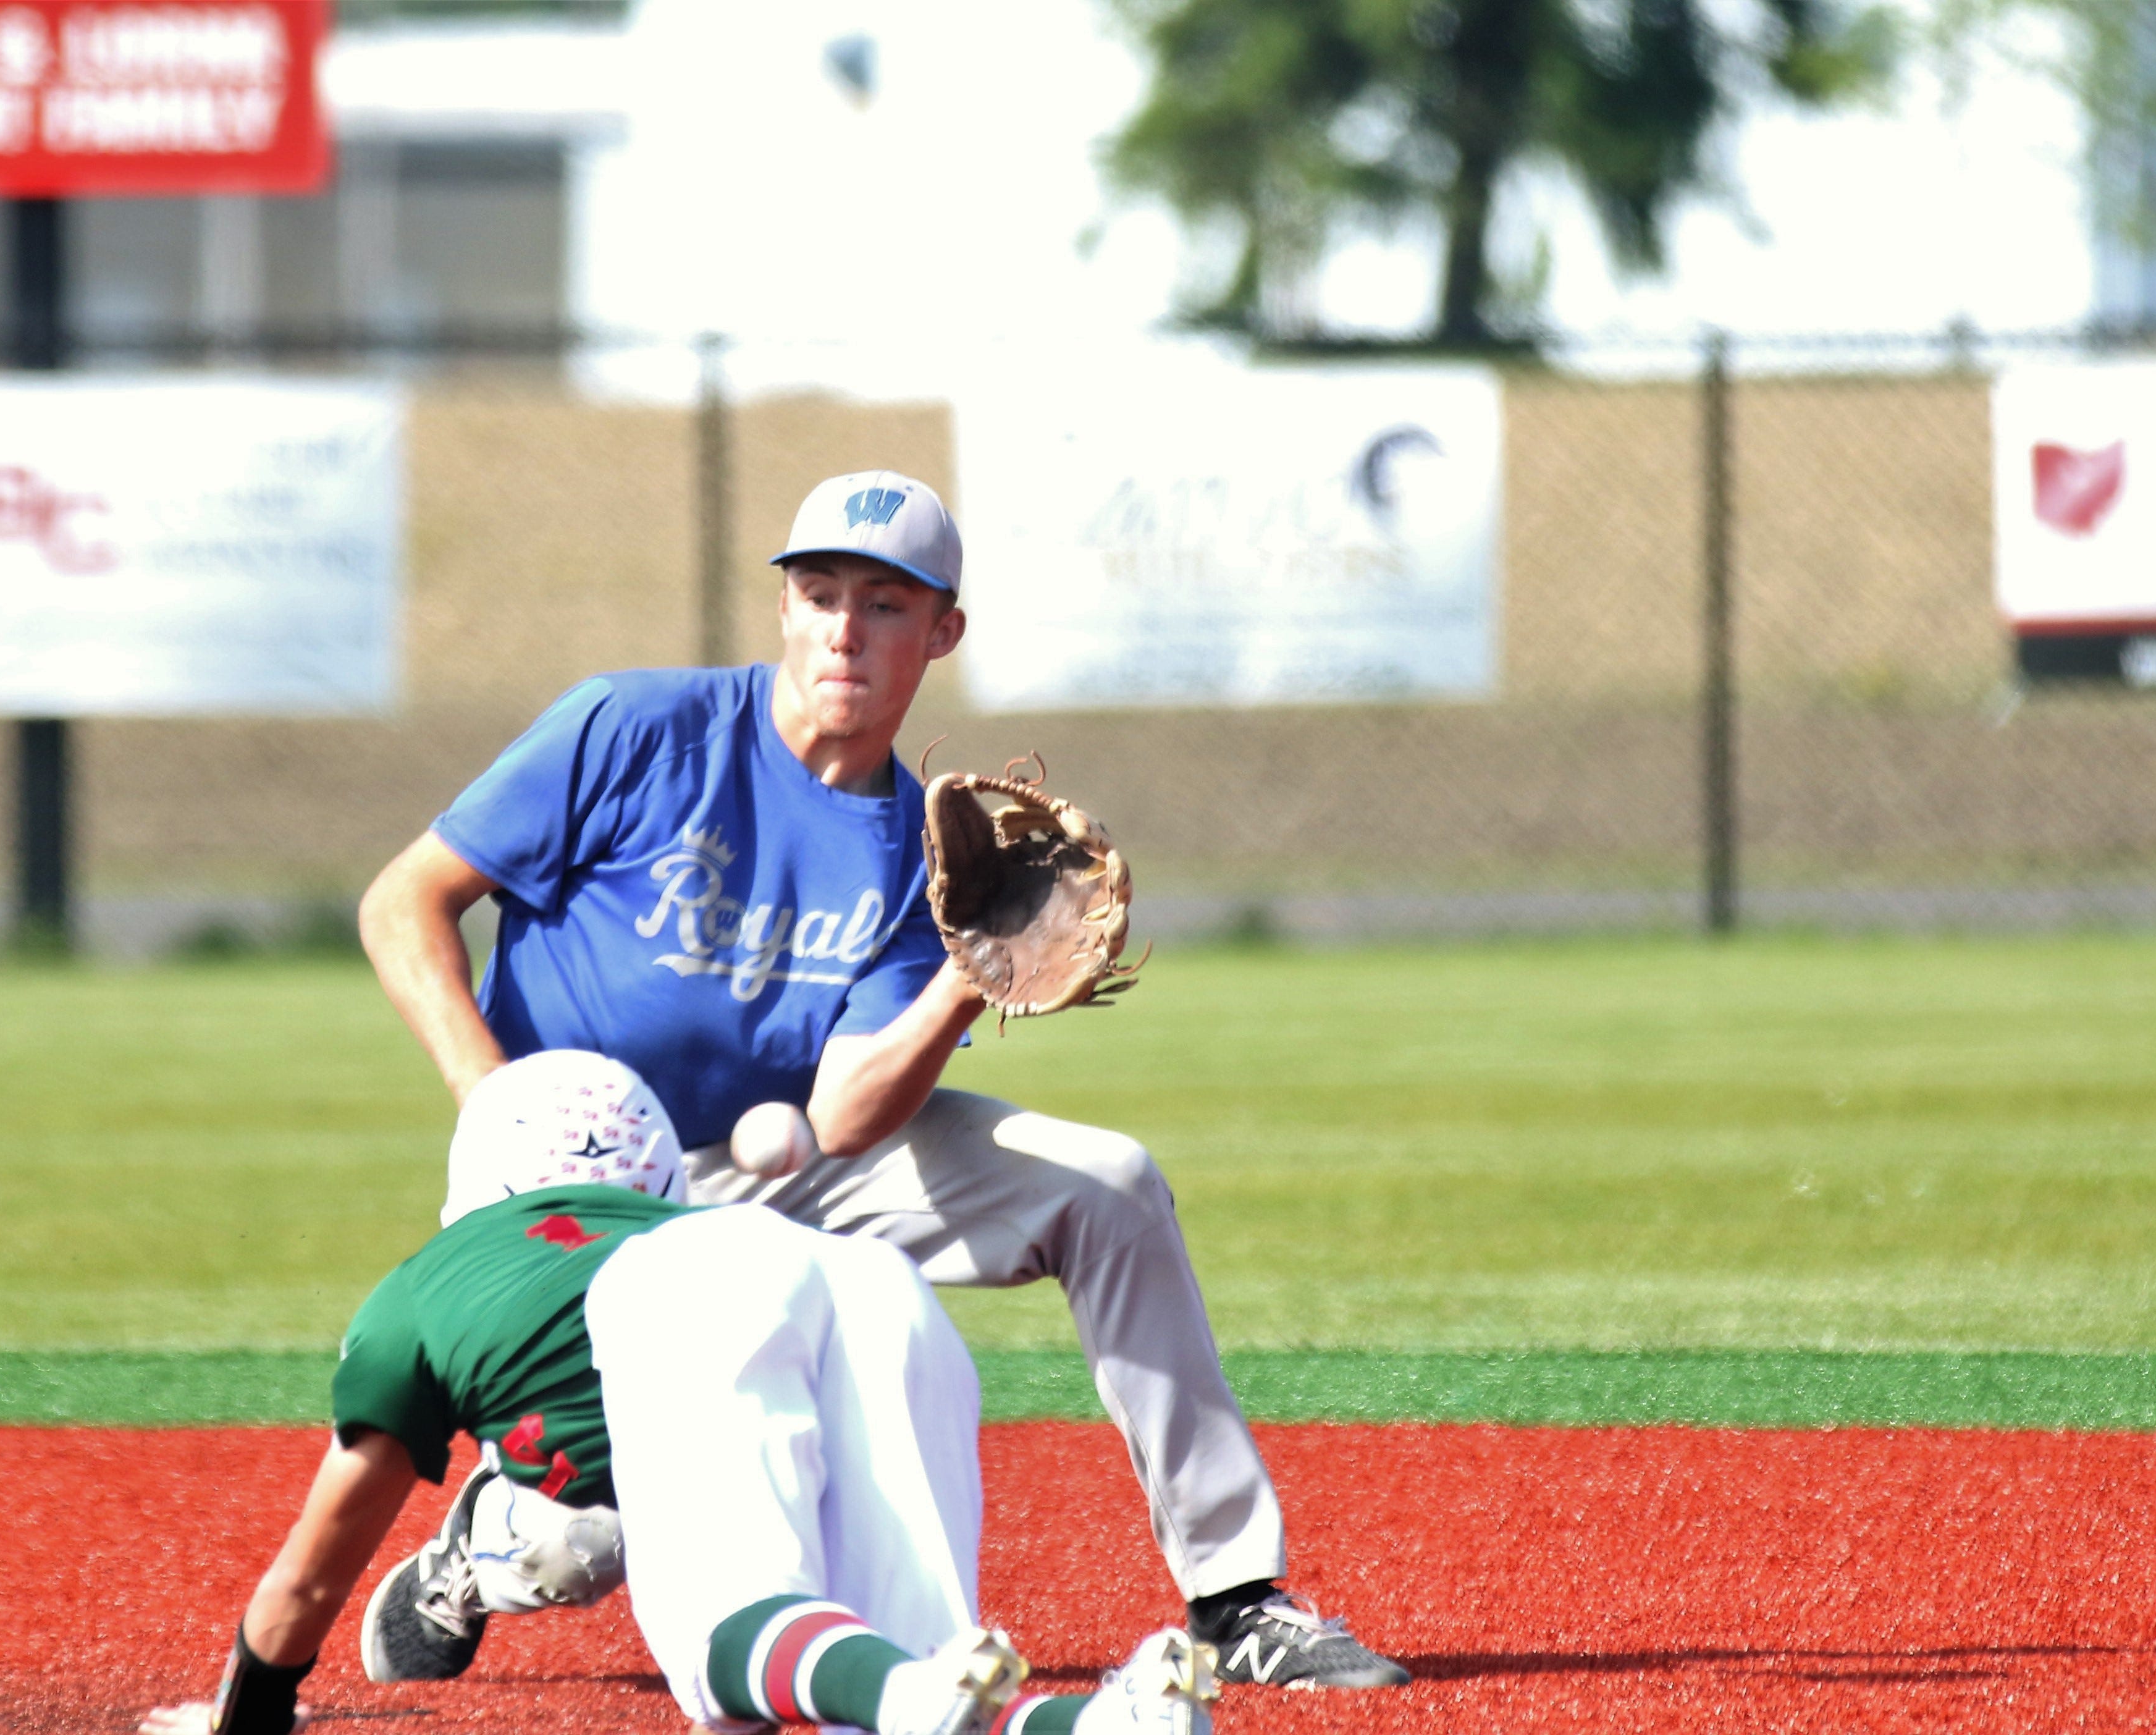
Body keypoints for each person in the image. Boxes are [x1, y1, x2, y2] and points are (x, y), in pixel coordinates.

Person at [354, 471, 1406, 1691]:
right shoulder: (633, 731)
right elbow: (402, 903)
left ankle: (1238, 1594)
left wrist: (968, 979)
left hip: (789, 1169)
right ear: (786, 612)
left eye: (886, 603)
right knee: (584, 1544)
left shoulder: (922, 851)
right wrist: (505, 1118)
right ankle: (483, 1547)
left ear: (942, 631)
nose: (845, 627)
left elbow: (848, 1116)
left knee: (1107, 1185)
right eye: (819, 593)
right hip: (565, 1190)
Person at [138, 1050, 1215, 1735]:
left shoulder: (419, 1292)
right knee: (909, 1674)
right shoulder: (685, 1214)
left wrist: (244, 1716)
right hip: (865, 1273)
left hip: (694, 1295)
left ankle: (915, 1695)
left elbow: (305, 1585)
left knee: (724, 1644)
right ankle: (1106, 1722)